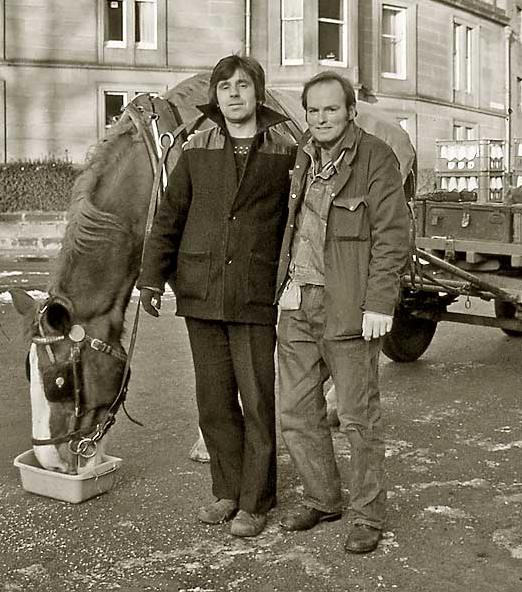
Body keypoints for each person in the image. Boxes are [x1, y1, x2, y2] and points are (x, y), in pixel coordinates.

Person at [138, 55, 295, 538]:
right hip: (201, 291)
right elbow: (169, 216)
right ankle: (226, 491)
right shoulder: (196, 146)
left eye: (242, 85)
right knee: (214, 402)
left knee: (257, 401)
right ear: (216, 95)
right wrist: (150, 278)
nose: (233, 94)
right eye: (224, 86)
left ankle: (256, 500)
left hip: (253, 294)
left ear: (258, 93)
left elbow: (298, 224)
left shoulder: (286, 152)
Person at [275, 71, 411, 554]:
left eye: (332, 109)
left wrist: (378, 302)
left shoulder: (375, 157)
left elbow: (393, 236)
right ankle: (323, 497)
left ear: (350, 111)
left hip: (348, 305)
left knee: (357, 417)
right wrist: (286, 286)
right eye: (313, 110)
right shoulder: (303, 157)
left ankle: (368, 514)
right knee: (295, 410)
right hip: (298, 302)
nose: (322, 118)